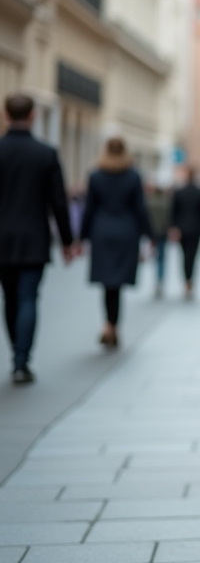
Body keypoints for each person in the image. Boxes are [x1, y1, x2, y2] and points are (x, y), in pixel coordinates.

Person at [0, 94, 79, 384]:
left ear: (6, 115)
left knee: (9, 298)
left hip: (2, 239)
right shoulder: (46, 153)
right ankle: (22, 360)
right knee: (28, 297)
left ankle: (16, 356)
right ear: (32, 116)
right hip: (34, 238)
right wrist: (68, 242)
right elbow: (59, 202)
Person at [81, 136, 152, 348]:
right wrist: (150, 234)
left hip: (102, 231)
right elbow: (140, 208)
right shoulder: (133, 176)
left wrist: (81, 237)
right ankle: (112, 325)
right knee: (117, 284)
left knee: (107, 284)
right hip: (126, 232)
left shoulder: (95, 175)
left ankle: (108, 325)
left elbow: (89, 209)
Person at [169, 167, 200, 299]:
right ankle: (190, 280)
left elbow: (173, 212)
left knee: (184, 256)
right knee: (192, 256)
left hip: (182, 229)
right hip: (195, 230)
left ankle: (187, 281)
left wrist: (174, 227)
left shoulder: (179, 192)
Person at [144, 183, 171, 298]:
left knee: (155, 256)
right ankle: (160, 278)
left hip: (153, 232)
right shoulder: (166, 203)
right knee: (161, 256)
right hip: (162, 232)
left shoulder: (149, 202)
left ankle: (157, 278)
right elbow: (168, 219)